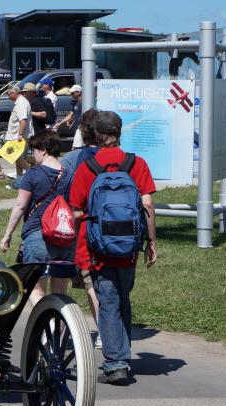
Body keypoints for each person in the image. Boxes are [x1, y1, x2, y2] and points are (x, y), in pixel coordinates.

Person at [68, 111, 158, 385]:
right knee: (122, 297)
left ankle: (116, 363)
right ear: (119, 133)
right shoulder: (136, 163)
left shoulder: (88, 167)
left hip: (97, 247)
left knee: (107, 301)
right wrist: (151, 242)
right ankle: (122, 355)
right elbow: (148, 205)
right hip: (129, 247)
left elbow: (76, 212)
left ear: (96, 135)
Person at [0, 130, 74, 306]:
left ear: (44, 150)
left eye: (34, 150)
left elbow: (21, 206)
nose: (33, 155)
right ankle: (59, 330)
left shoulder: (33, 174)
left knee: (35, 290)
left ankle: (45, 331)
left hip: (38, 235)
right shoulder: (70, 174)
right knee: (60, 294)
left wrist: (7, 234)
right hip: (64, 236)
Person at [60, 108, 101, 348]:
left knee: (83, 282)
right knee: (101, 284)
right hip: (114, 229)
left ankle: (59, 328)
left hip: (81, 229)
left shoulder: (72, 159)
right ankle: (107, 332)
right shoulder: (122, 157)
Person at [4, 84, 31, 187]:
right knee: (17, 159)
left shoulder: (21, 103)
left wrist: (20, 134)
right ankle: (19, 182)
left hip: (18, 136)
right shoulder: (19, 102)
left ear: (14, 93)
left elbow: (23, 120)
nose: (8, 95)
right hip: (16, 135)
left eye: (8, 93)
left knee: (14, 157)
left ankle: (31, 173)